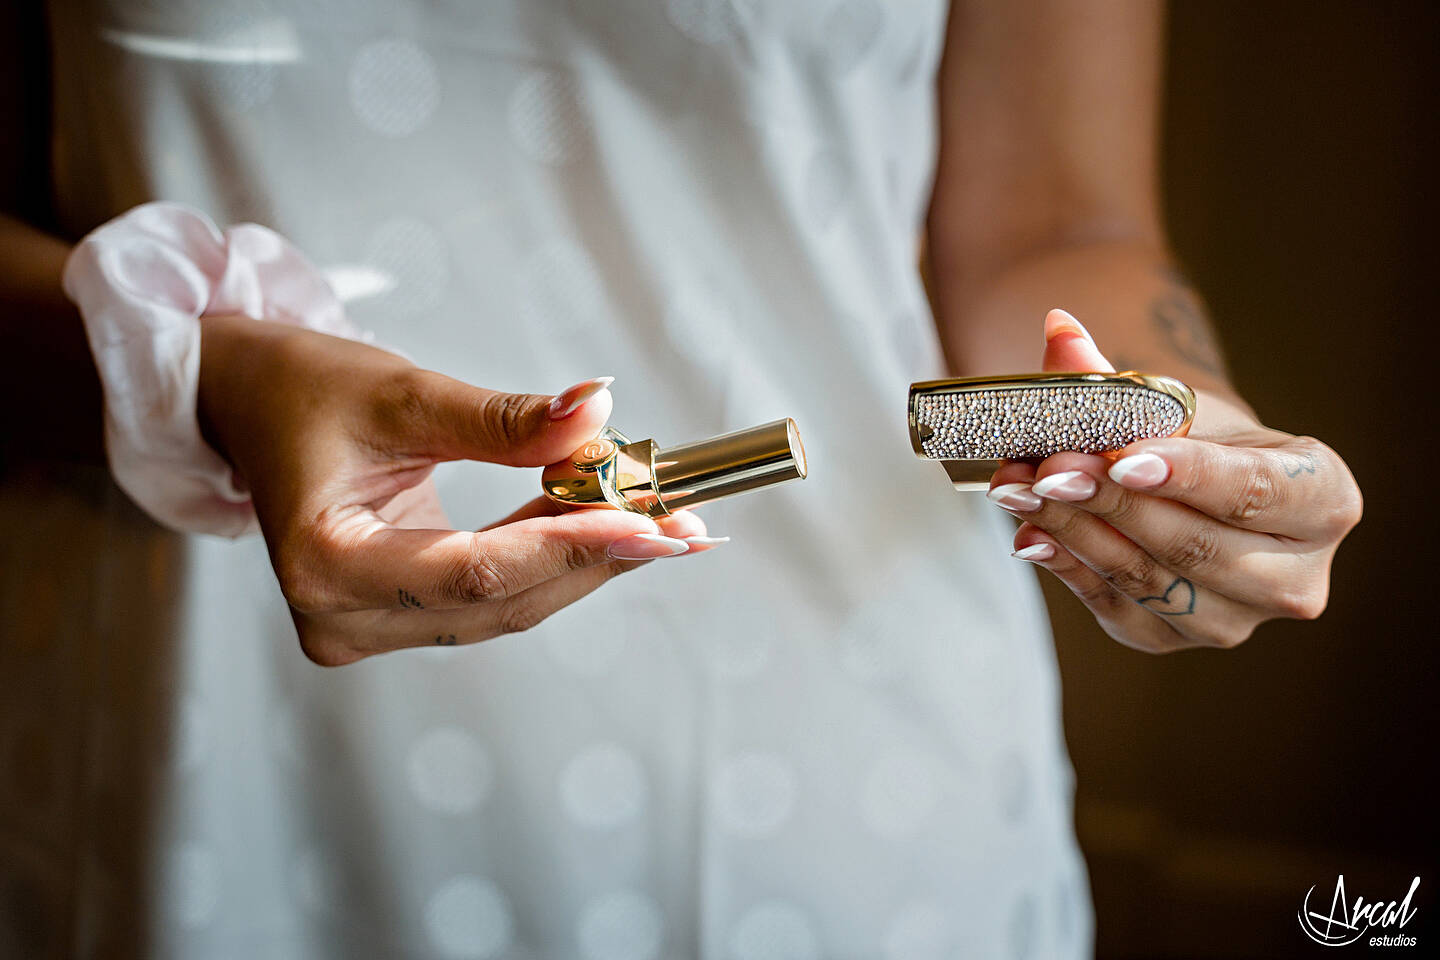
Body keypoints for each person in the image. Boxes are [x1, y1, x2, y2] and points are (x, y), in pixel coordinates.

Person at [0, 2, 1361, 957]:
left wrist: (1185, 443)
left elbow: (1059, 222)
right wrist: (188, 382)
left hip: (847, 776)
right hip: (213, 744)